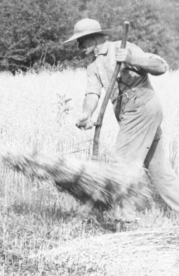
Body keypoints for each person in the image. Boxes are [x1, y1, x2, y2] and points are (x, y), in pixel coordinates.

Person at [63, 18, 179, 220]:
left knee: (122, 164)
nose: (78, 47)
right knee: (160, 171)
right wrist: (86, 114)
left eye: (80, 41)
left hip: (141, 106)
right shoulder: (93, 66)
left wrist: (132, 59)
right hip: (129, 114)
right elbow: (92, 94)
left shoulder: (122, 48)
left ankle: (125, 216)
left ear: (92, 39)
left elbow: (161, 66)